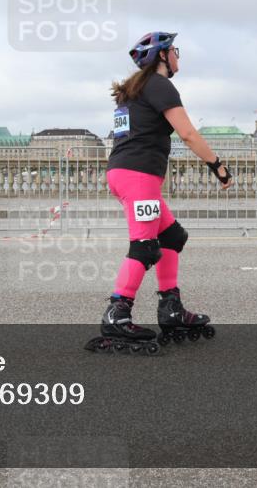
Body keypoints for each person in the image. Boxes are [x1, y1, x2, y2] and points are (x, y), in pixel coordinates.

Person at [99, 31, 233, 349]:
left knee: (172, 237)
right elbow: (186, 132)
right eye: (174, 50)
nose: (177, 55)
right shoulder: (159, 85)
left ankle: (170, 307)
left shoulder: (132, 91)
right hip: (138, 175)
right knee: (145, 247)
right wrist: (218, 166)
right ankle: (117, 313)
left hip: (124, 172)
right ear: (162, 55)